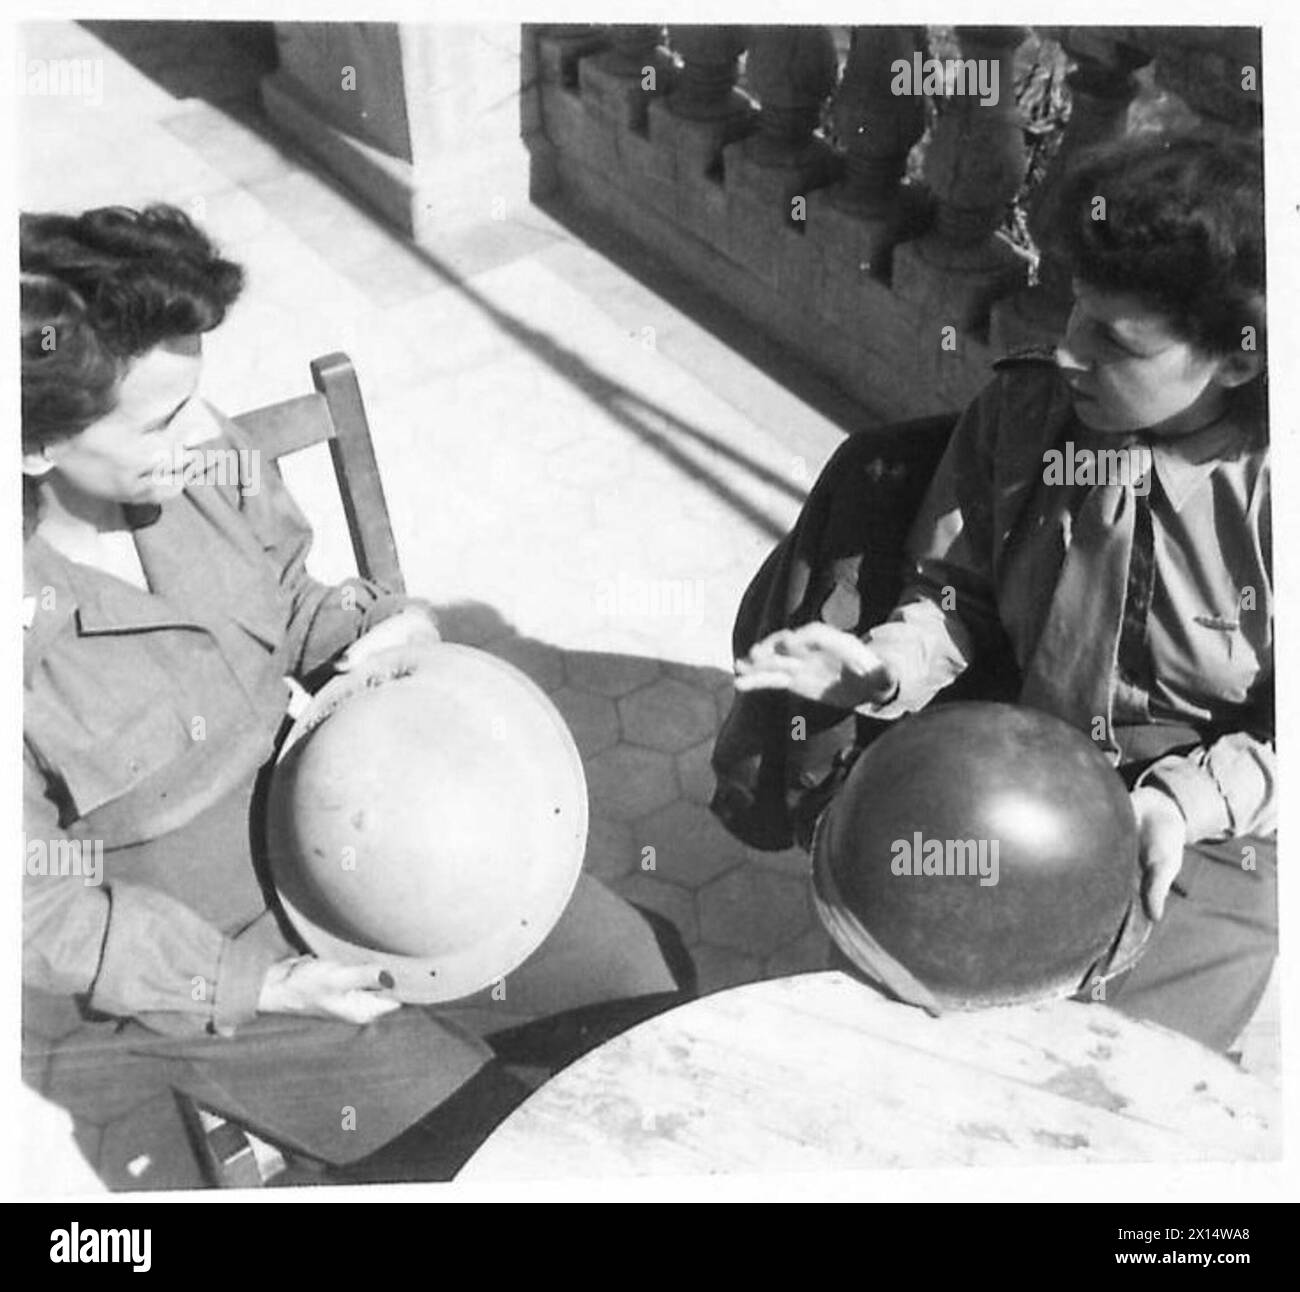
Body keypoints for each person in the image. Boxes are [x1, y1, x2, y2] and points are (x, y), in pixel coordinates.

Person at [21, 204, 692, 1189]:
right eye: (161, 419)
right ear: (35, 445)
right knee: (487, 1145)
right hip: (208, 953)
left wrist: (381, 628)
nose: (207, 435)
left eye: (196, 397)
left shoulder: (206, 466)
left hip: (370, 829)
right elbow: (35, 913)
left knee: (638, 976)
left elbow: (294, 599)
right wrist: (252, 983)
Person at [729, 128, 1274, 1054]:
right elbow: (958, 596)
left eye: (1116, 340)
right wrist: (882, 667)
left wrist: (1179, 804)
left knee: (1109, 1075)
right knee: (902, 995)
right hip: (1013, 747)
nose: (1068, 353)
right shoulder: (1024, 416)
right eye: (1072, 313)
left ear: (1237, 357)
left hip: (1205, 802)